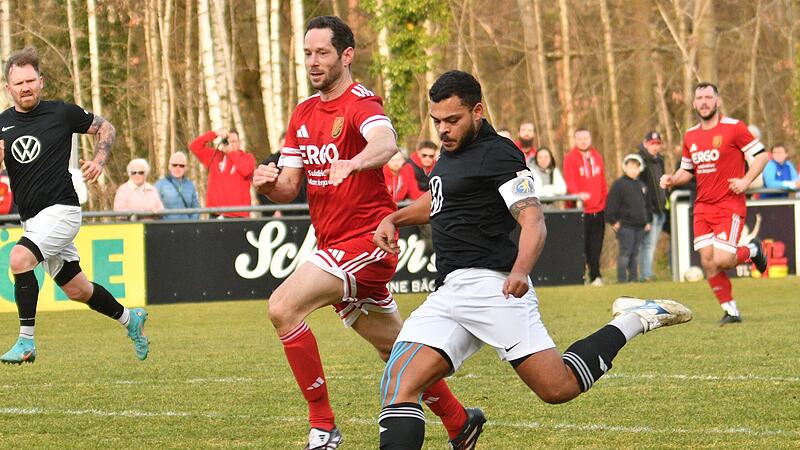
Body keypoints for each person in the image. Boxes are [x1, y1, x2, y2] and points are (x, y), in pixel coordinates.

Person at [373, 70, 692, 450]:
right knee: (399, 383)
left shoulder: (500, 153)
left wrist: (521, 269)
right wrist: (395, 217)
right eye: (437, 121)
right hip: (448, 292)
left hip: (495, 287)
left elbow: (532, 218)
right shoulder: (450, 151)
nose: (443, 129)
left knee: (557, 388)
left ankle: (633, 320)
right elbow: (439, 199)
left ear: (477, 111)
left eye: (452, 120)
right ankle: (465, 427)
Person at [251, 16, 474, 450]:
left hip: (369, 241)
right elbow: (288, 187)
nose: (314, 63)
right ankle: (459, 420)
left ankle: (323, 424)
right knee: (397, 351)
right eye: (308, 54)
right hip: (334, 245)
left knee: (283, 307)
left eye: (323, 53)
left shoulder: (360, 103)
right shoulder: (303, 113)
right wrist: (265, 184)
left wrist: (354, 162)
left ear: (346, 55)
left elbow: (385, 142)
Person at [0, 47, 148, 364]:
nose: (25, 87)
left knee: (19, 257)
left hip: (62, 210)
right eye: (18, 83)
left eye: (30, 80)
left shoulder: (61, 113)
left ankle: (26, 342)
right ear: (8, 88)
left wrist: (98, 160)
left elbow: (106, 127)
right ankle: (130, 319)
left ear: (41, 81)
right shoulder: (2, 125)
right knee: (77, 290)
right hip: (32, 220)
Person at [661, 82, 769, 325]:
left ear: (717, 101)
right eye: (700, 98)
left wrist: (745, 180)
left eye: (709, 97)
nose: (704, 102)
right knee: (708, 261)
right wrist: (672, 179)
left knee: (722, 259)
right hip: (702, 206)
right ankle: (731, 310)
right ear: (694, 103)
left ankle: (753, 250)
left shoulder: (734, 128)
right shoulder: (691, 135)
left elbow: (762, 156)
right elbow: (686, 170)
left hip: (729, 204)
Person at [563, 128, 608, 286]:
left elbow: (602, 181)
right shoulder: (570, 158)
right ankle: (579, 276)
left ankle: (595, 275)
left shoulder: (597, 156)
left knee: (596, 246)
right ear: (575, 140)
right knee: (580, 246)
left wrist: (604, 200)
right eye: (580, 138)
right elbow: (570, 181)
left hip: (598, 209)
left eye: (586, 138)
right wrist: (577, 195)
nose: (583, 141)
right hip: (580, 210)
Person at [188, 128, 255, 218]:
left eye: (234, 141)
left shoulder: (247, 158)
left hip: (238, 214)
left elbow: (246, 171)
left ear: (239, 143)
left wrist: (231, 153)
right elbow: (194, 146)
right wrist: (215, 134)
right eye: (228, 141)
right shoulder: (215, 155)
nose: (230, 144)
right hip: (216, 213)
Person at [605, 154, 652, 283]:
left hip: (640, 226)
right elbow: (611, 204)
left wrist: (648, 221)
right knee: (625, 252)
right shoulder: (619, 185)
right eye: (630, 167)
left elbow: (646, 205)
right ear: (625, 167)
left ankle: (633, 279)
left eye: (636, 167)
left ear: (640, 169)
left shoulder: (642, 185)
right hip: (625, 226)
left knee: (635, 253)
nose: (633, 170)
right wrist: (612, 221)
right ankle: (622, 279)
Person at [637, 131, 668, 281]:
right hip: (648, 210)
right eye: (652, 144)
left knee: (652, 243)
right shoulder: (640, 160)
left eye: (657, 144)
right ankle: (645, 274)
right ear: (645, 143)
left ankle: (647, 272)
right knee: (647, 244)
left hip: (661, 208)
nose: (655, 147)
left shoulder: (660, 160)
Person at [155, 151, 200, 220]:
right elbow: (154, 207)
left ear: (186, 168)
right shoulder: (160, 185)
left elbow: (196, 207)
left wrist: (191, 224)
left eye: (181, 166)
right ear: (169, 167)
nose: (177, 168)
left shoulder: (190, 185)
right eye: (174, 165)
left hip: (186, 227)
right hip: (166, 227)